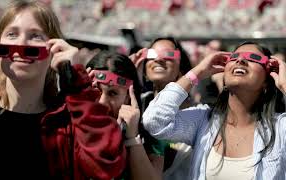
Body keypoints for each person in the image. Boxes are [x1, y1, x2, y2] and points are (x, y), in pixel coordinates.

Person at [0, 1, 126, 179]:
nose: (22, 43)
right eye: (12, 34)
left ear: (56, 51)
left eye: (35, 36)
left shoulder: (71, 123)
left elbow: (106, 165)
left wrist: (77, 85)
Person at [142, 41, 286, 179]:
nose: (240, 60)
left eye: (254, 58)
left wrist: (285, 85)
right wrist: (198, 72)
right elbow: (154, 121)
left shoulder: (280, 128)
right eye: (234, 57)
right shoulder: (203, 120)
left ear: (267, 80)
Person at [86, 51, 163, 180]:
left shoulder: (151, 134)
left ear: (128, 97)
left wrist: (132, 138)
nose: (102, 102)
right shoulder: (68, 127)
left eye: (112, 93)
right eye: (96, 91)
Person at [130, 37, 193, 179]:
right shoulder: (136, 104)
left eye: (169, 55)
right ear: (144, 68)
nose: (158, 59)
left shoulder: (197, 115)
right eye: (152, 55)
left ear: (181, 68)